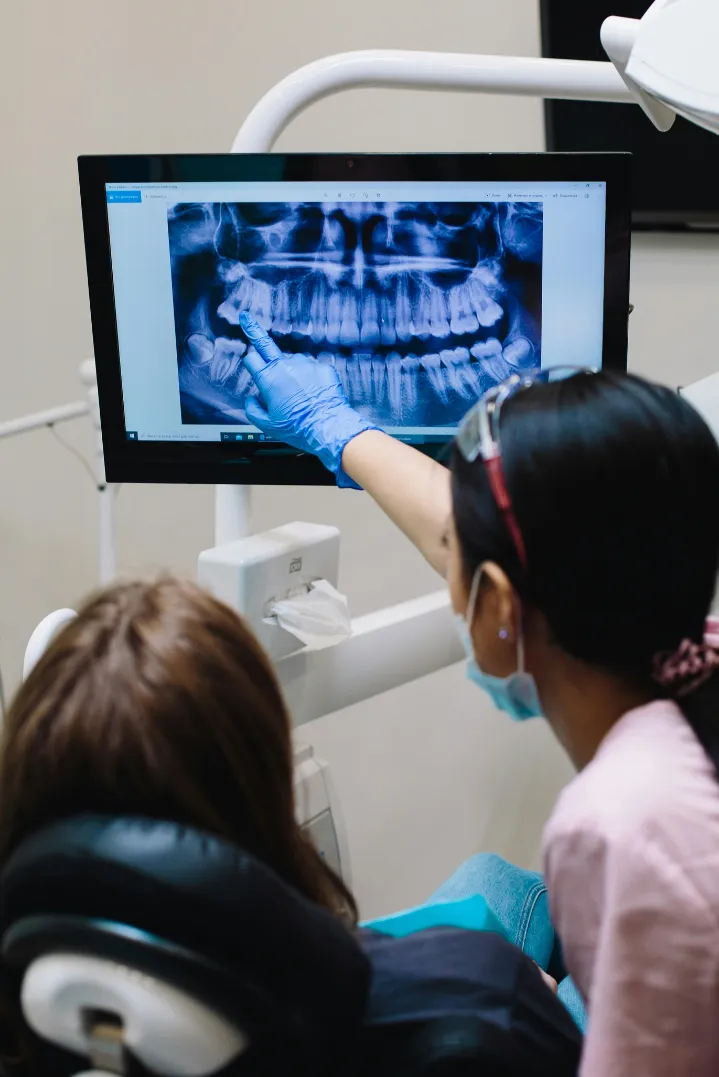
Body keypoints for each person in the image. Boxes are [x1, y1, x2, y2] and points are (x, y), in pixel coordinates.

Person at [237, 311, 719, 1076]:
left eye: (451, 556)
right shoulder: (691, 653)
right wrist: (337, 429)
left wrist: (542, 1023)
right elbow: (540, 534)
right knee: (487, 887)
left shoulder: (620, 821)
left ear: (496, 604)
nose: (443, 559)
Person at [0, 577, 581, 1076]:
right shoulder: (470, 1012)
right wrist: (523, 1005)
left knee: (490, 879)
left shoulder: (29, 1010)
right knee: (544, 913)